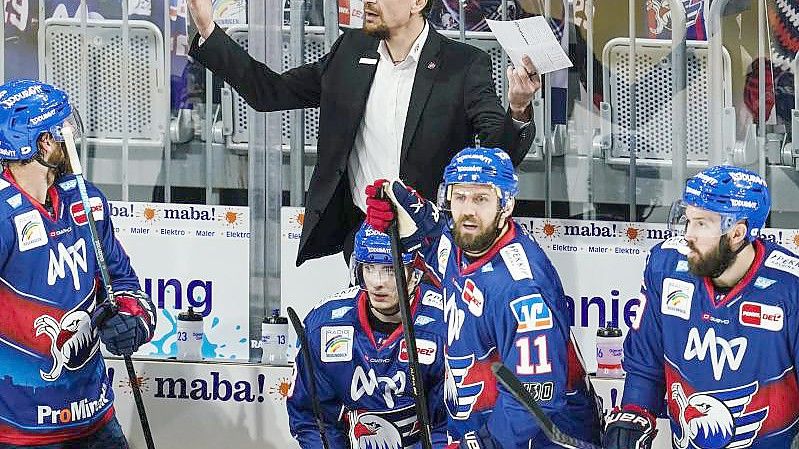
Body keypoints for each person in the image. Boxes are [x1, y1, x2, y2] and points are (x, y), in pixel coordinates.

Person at [186, 0, 540, 266]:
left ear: (418, 3)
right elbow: (270, 92)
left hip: (434, 243)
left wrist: (519, 108)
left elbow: (499, 153)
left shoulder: (463, 64)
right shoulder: (350, 51)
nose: (367, 2)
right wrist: (208, 31)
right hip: (364, 237)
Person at [364, 147, 599, 448]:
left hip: (539, 438)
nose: (468, 210)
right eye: (460, 197)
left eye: (481, 199)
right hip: (482, 426)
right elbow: (437, 240)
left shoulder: (521, 287)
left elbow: (535, 394)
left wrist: (483, 442)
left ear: (507, 204)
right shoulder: (463, 244)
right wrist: (403, 214)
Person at [0, 80, 156, 448]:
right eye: (62, 127)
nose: (72, 133)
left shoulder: (85, 200)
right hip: (21, 433)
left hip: (94, 420)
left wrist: (132, 319)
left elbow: (123, 283)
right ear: (42, 143)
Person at [602, 165, 799, 449]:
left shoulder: (788, 289)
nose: (687, 234)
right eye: (687, 220)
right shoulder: (666, 267)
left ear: (737, 233)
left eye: (702, 224)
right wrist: (635, 411)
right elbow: (646, 363)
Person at [286, 222, 448, 448]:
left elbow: (453, 422)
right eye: (369, 267)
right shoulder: (324, 325)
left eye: (390, 269)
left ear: (416, 273)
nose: (378, 282)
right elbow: (312, 417)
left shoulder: (446, 325)